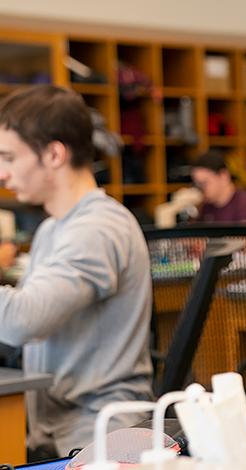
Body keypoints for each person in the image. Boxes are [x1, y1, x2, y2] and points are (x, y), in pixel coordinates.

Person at [0, 85, 153, 457]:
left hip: (97, 436)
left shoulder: (97, 229)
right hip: (57, 432)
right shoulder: (54, 228)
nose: (2, 173)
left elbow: (20, 321)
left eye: (8, 157)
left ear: (53, 154)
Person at [190, 150, 246, 222]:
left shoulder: (244, 204)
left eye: (204, 183)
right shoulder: (205, 206)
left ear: (223, 176)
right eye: (197, 184)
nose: (201, 189)